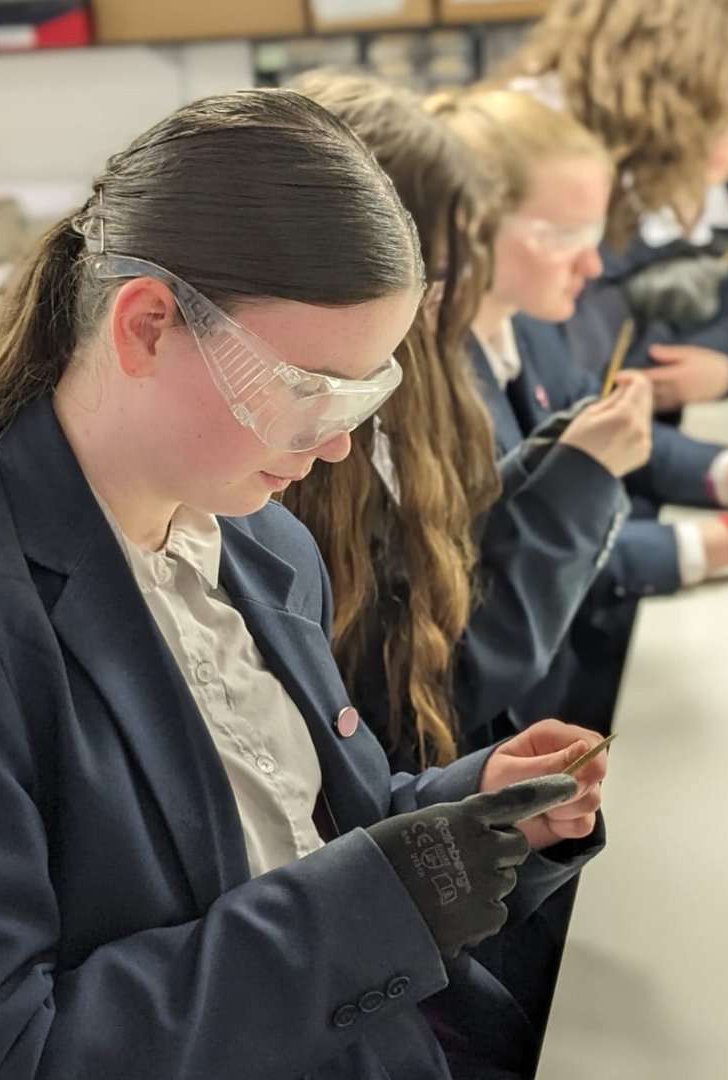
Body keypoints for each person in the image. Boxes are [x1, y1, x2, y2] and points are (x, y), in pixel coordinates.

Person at [0, 89, 608, 1080]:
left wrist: (468, 812)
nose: (339, 441)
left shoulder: (258, 541)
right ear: (145, 327)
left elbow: (293, 828)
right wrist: (385, 898)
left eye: (366, 391)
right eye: (307, 388)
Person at [432, 86, 728, 729]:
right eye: (562, 234)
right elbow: (537, 557)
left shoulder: (526, 325)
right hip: (521, 710)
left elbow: (621, 438)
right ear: (471, 227)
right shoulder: (441, 393)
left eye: (595, 234)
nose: (594, 262)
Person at [286, 69, 648, 769]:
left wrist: (550, 466)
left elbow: (454, 568)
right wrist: (576, 486)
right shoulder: (306, 447)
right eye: (437, 272)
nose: (443, 304)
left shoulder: (424, 376)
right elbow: (417, 695)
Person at [502, 0, 728, 411]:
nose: (726, 141)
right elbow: (587, 384)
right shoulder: (560, 187)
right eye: (711, 120)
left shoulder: (722, 186)